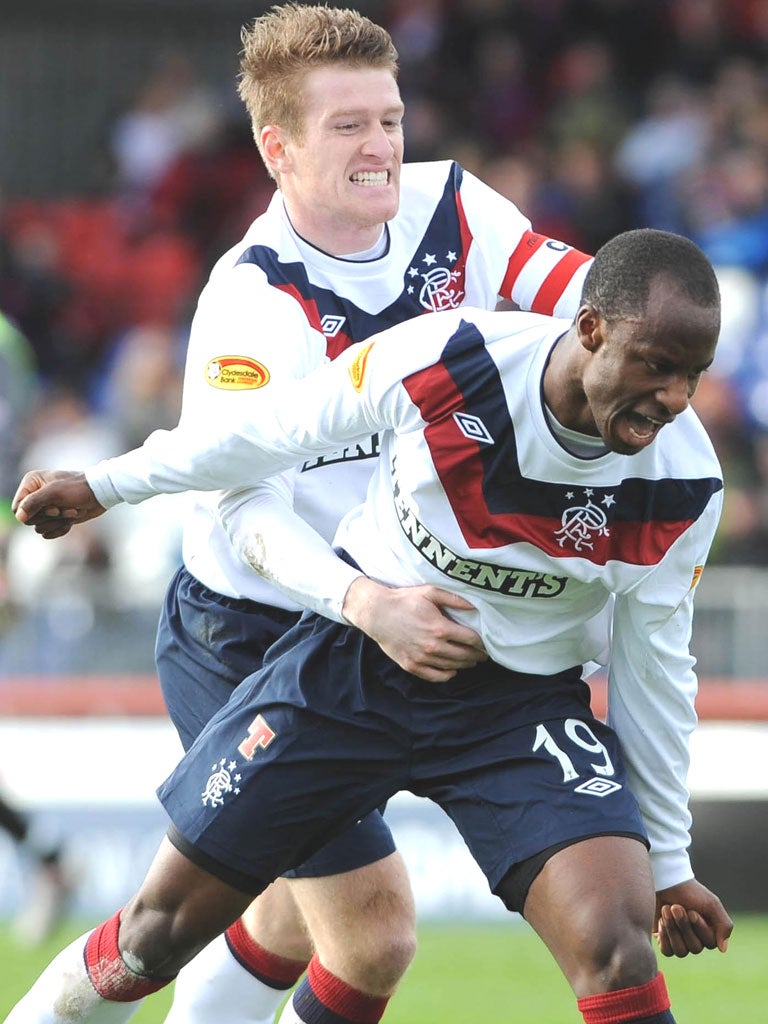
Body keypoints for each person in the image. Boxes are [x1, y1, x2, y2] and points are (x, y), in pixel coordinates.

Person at [7, 7, 595, 1024]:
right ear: (275, 149)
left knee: (281, 911)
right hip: (253, 622)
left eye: (392, 117)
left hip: (379, 613)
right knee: (367, 930)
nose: (383, 148)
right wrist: (367, 601)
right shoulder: (251, 300)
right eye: (349, 127)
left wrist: (646, 333)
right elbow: (244, 515)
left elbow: (577, 296)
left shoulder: (456, 209)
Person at [9, 228, 734, 1024]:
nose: (673, 398)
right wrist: (107, 484)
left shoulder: (683, 480)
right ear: (590, 328)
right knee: (160, 931)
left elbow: (655, 667)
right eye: (656, 366)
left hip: (517, 712)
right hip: (353, 669)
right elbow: (267, 431)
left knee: (617, 948)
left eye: (691, 377)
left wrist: (668, 860)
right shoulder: (448, 359)